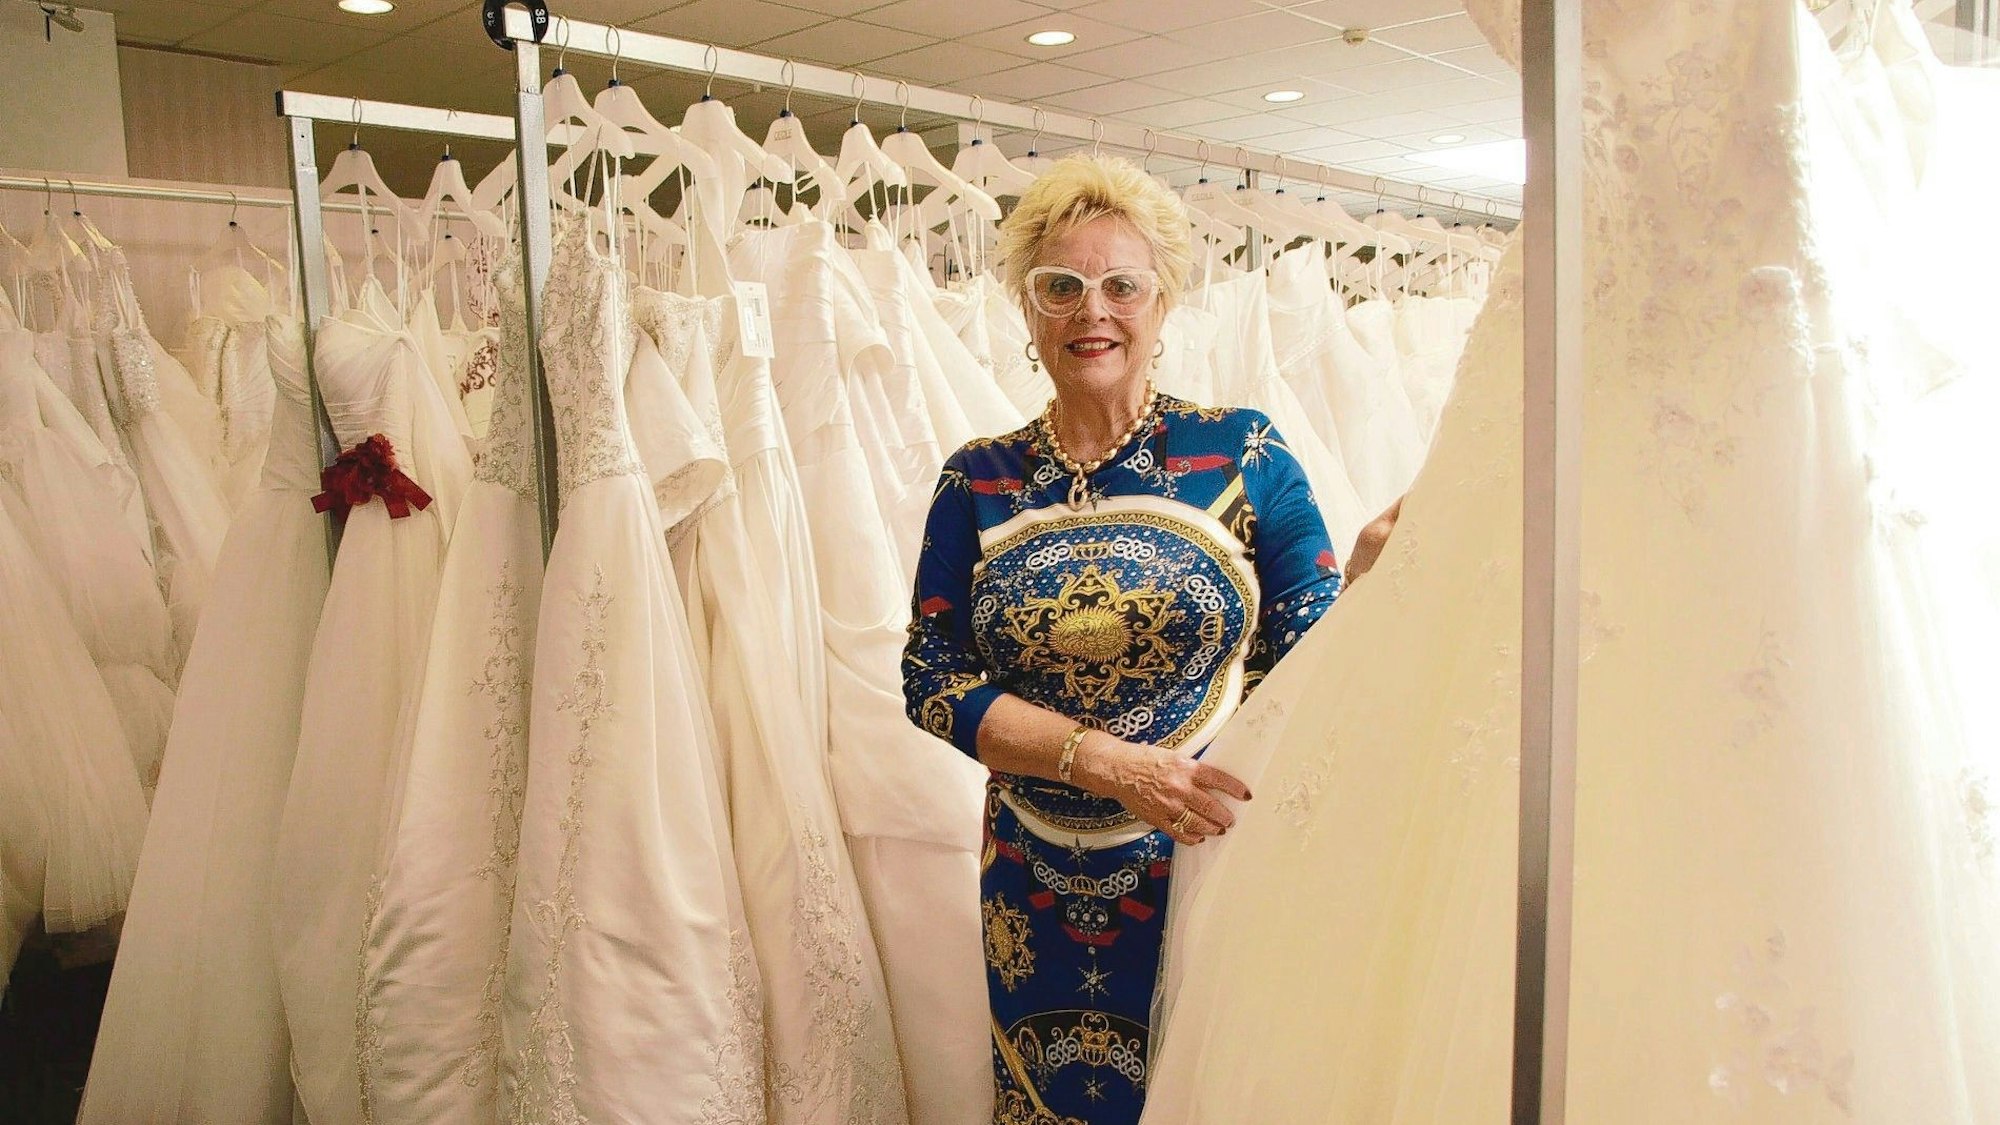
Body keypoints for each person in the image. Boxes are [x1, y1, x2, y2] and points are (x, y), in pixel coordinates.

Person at [900, 154, 1345, 1125]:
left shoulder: (1244, 453)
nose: (1088, 310)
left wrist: (1398, 577)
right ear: (1026, 309)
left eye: (1119, 285)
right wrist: (1099, 761)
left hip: (1204, 859)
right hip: (1034, 882)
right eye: (1059, 286)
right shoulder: (975, 481)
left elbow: (1313, 650)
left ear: (1162, 301)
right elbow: (930, 679)